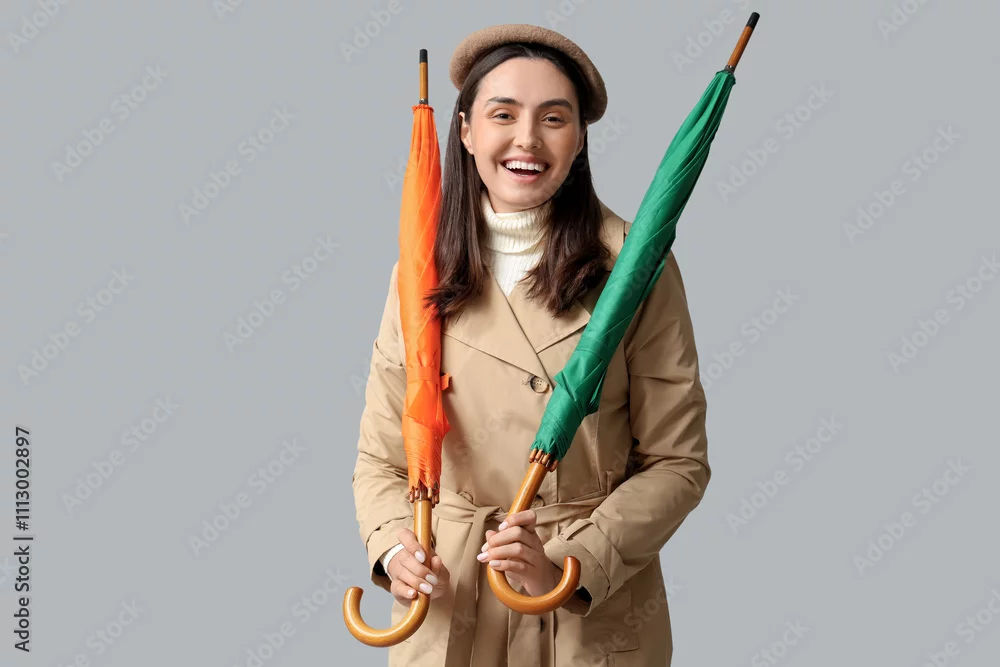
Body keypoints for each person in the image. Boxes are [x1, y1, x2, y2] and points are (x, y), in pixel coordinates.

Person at [352, 23, 711, 667]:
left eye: (553, 118)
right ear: (465, 131)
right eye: (503, 114)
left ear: (580, 139)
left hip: (580, 607)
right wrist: (394, 544)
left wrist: (572, 563)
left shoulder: (634, 265)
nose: (527, 139)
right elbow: (381, 458)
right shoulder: (421, 268)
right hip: (449, 600)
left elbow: (677, 462)